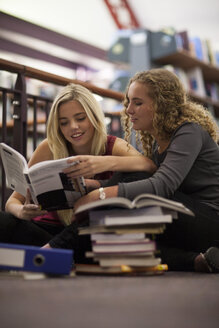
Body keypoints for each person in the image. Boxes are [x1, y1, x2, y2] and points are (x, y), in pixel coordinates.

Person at [44, 69, 219, 273]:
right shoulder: (159, 142)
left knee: (132, 179)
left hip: (211, 220)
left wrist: (98, 196)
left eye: (137, 103)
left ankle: (52, 249)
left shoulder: (189, 131)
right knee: (111, 236)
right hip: (188, 217)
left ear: (161, 104)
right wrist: (97, 186)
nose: (128, 110)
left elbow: (162, 185)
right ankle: (197, 261)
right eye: (128, 102)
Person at [0, 83, 156, 247]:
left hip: (86, 233)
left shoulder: (112, 145)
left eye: (80, 118)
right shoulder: (49, 146)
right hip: (44, 230)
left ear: (94, 117)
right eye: (64, 122)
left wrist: (102, 163)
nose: (73, 127)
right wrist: (22, 212)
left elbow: (148, 166)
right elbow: (12, 202)